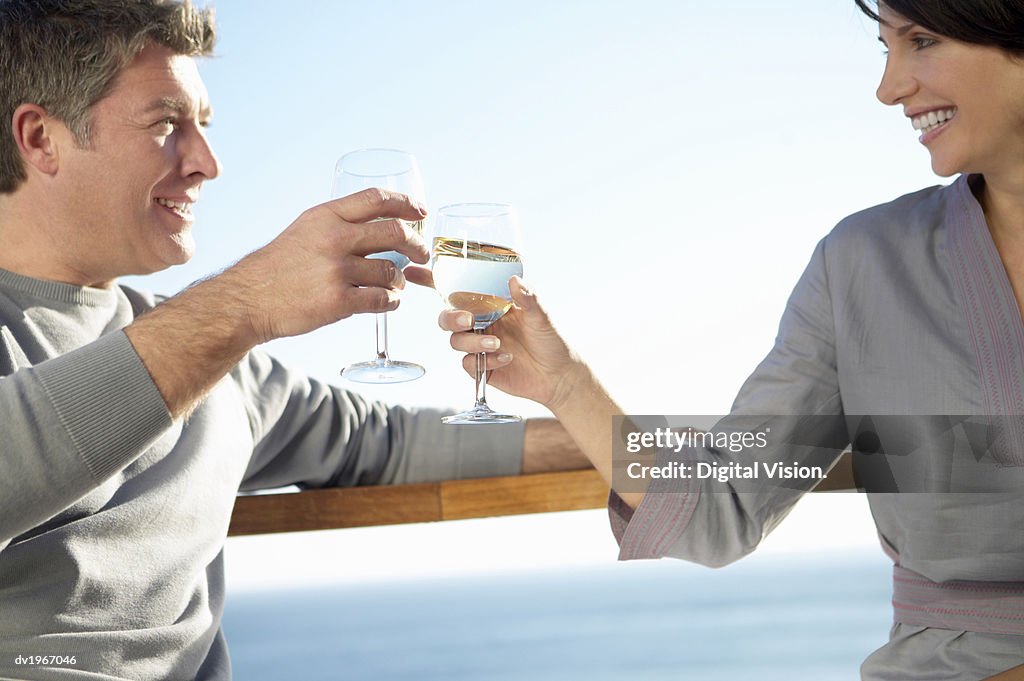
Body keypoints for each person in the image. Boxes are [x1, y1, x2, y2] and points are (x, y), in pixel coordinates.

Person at [0, 1, 587, 679]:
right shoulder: (212, 335)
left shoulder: (222, 370)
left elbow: (392, 445)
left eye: (204, 126)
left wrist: (636, 434)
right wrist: (246, 302)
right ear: (41, 138)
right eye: (166, 123)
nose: (207, 163)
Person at [440, 1, 1024, 679]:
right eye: (885, 48)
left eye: (921, 41)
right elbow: (725, 504)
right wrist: (563, 381)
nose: (889, 87)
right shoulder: (862, 263)